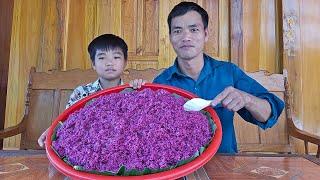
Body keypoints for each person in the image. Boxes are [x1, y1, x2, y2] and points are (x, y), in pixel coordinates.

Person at [152, 2, 284, 153]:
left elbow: (268, 114)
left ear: (206, 34)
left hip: (224, 164)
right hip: (179, 168)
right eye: (177, 31)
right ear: (170, 37)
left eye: (194, 29)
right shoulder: (161, 83)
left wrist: (246, 99)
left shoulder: (228, 72)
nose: (186, 37)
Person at [38, 34, 144, 147]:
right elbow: (67, 122)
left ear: (125, 62)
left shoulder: (132, 93)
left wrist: (141, 89)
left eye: (116, 57)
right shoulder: (81, 92)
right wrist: (51, 131)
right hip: (89, 148)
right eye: (102, 58)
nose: (109, 63)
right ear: (93, 64)